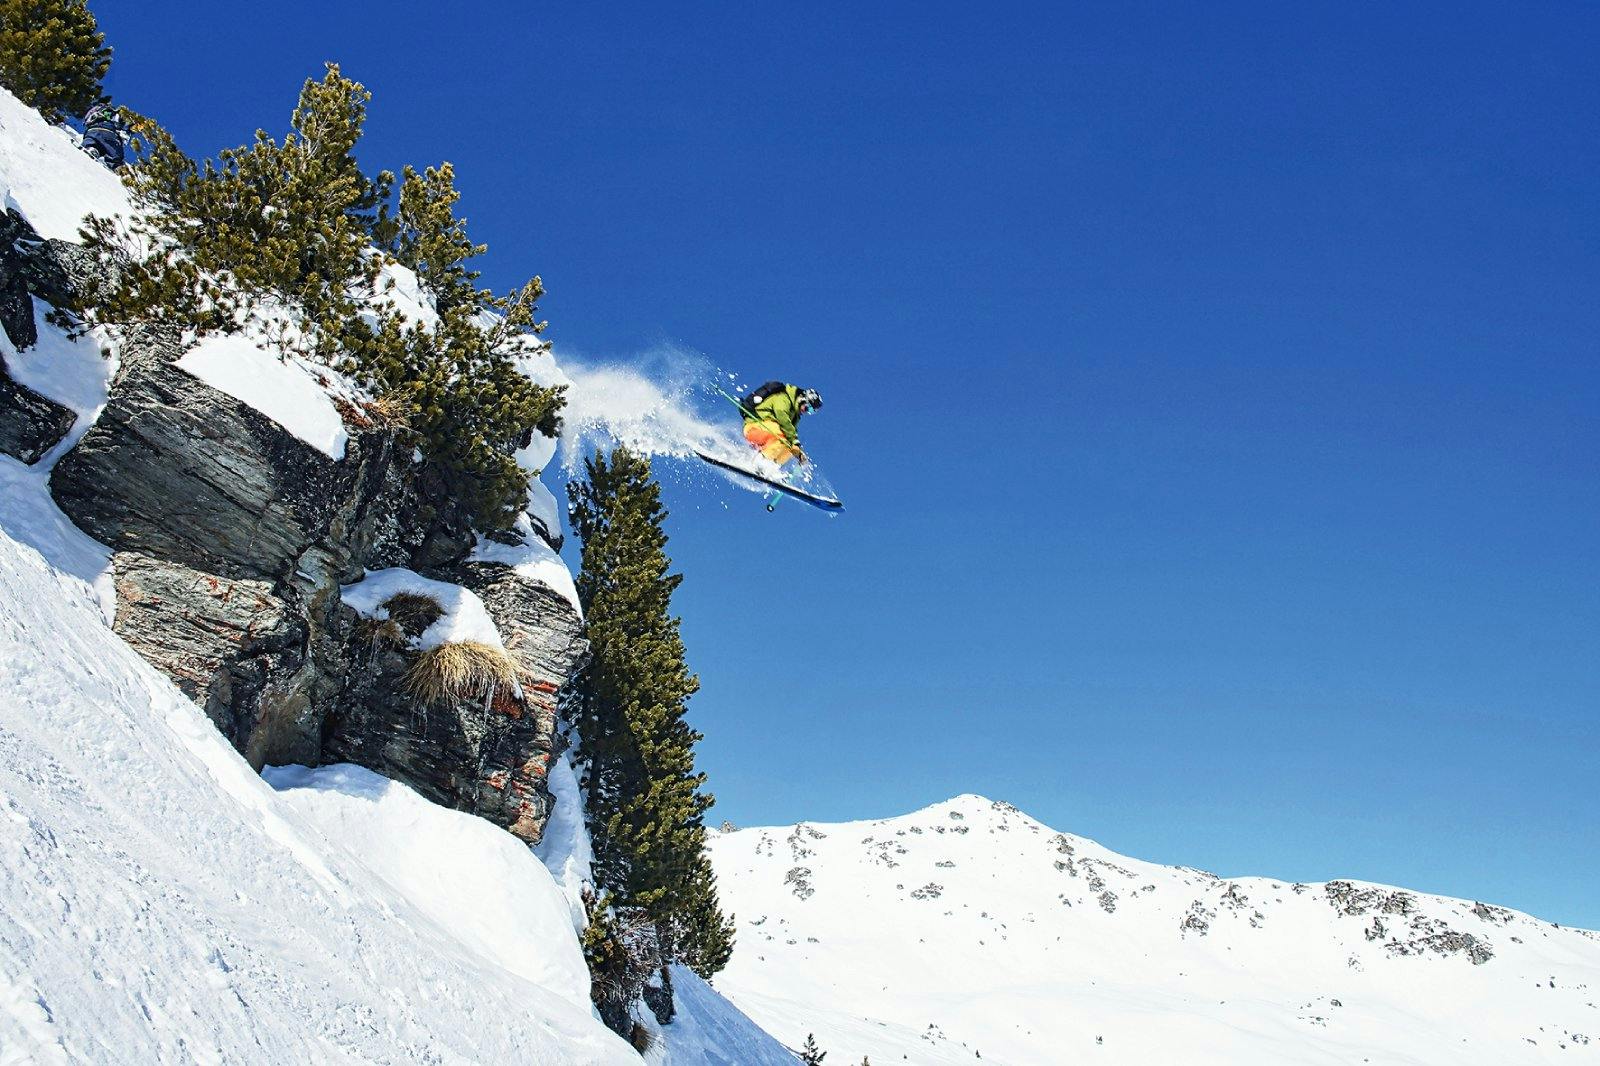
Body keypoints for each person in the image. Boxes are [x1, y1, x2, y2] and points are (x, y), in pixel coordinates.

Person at [741, 381, 822, 466]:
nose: (807, 411)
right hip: (754, 427)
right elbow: (782, 417)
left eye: (811, 411)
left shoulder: (795, 415)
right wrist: (795, 442)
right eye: (808, 408)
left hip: (769, 435)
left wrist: (798, 452)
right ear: (803, 399)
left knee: (789, 447)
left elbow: (791, 434)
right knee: (783, 438)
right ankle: (760, 462)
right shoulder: (784, 398)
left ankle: (771, 467)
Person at [80, 103, 126, 169]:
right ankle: (117, 168)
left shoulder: (95, 111)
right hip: (109, 132)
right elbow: (120, 124)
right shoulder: (111, 113)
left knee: (91, 142)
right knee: (115, 156)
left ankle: (91, 149)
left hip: (91, 131)